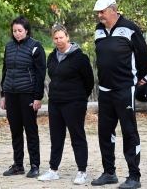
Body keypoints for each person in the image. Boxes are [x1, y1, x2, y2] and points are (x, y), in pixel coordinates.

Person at [91, 0, 147, 189]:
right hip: (104, 90)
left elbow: (143, 57)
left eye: (102, 11)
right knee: (105, 133)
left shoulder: (130, 28)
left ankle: (134, 176)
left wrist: (138, 77)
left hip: (124, 89)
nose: (100, 15)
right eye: (98, 12)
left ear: (113, 10)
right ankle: (109, 172)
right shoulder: (99, 31)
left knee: (129, 132)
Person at [37, 24, 94, 185]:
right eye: (55, 38)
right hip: (55, 102)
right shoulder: (52, 57)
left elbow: (89, 80)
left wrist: (80, 98)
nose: (58, 41)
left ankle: (82, 171)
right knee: (56, 137)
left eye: (61, 37)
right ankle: (53, 170)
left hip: (74, 102)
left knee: (77, 136)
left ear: (67, 37)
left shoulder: (80, 57)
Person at [0, 15, 46, 178]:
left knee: (30, 130)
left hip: (28, 94)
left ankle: (35, 165)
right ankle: (18, 165)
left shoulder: (35, 47)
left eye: (20, 31)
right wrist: (3, 94)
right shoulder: (9, 46)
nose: (17, 34)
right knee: (15, 131)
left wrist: (37, 97)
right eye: (14, 31)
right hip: (11, 93)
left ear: (27, 30)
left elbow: (41, 74)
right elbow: (5, 70)